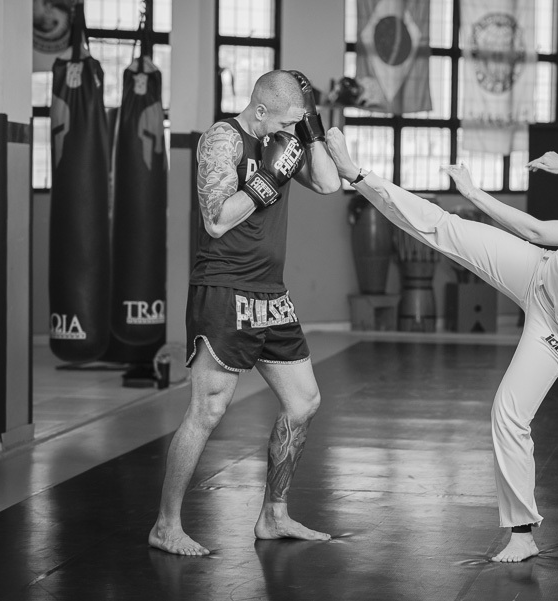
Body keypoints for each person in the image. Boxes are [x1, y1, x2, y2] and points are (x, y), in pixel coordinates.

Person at [325, 114, 558, 563]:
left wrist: (474, 193)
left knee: (509, 414)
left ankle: (522, 534)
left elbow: (537, 231)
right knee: (445, 228)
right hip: (540, 272)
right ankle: (358, 175)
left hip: (557, 330)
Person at [149, 70, 342, 556]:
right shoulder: (222, 138)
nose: (291, 130)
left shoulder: (283, 138)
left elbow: (329, 183)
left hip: (270, 293)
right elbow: (215, 220)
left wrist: (310, 127)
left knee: (304, 401)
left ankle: (274, 516)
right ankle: (166, 525)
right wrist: (267, 179)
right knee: (208, 409)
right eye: (287, 119)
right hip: (223, 288)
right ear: (260, 111)